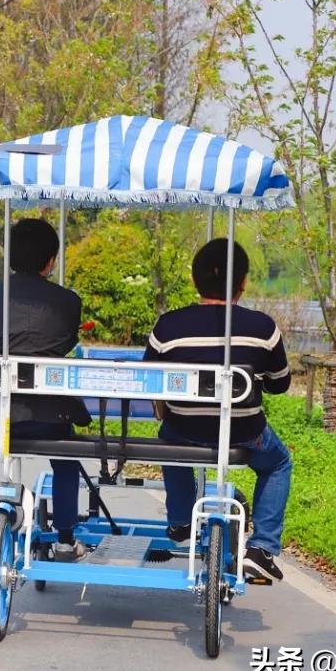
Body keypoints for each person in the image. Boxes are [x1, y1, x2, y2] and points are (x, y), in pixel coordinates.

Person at [143, 238, 292, 583]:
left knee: (170, 441)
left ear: (195, 281)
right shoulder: (262, 328)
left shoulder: (168, 327)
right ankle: (262, 548)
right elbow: (279, 384)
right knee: (279, 463)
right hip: (244, 433)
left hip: (184, 429)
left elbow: (148, 380)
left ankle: (180, 519)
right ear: (243, 282)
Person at [0, 218, 91, 562]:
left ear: (9, 256)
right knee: (67, 461)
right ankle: (66, 537)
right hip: (47, 416)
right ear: (50, 260)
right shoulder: (67, 303)